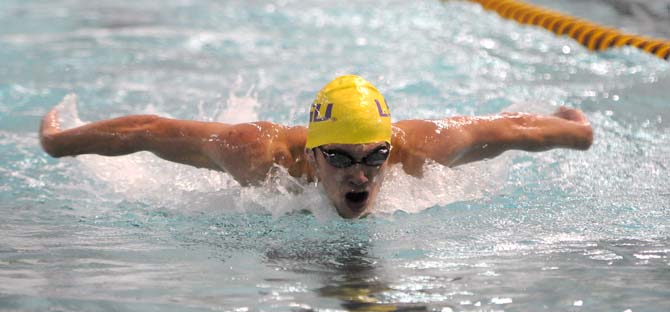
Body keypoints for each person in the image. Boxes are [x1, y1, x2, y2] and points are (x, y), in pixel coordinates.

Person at [40, 75, 593, 218]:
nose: (362, 175)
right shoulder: (255, 154)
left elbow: (510, 130)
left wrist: (576, 130)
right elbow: (147, 131)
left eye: (374, 157)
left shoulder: (415, 148)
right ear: (310, 156)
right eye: (341, 158)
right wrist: (59, 143)